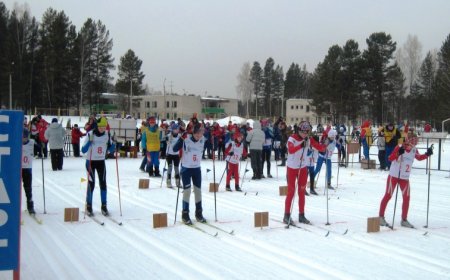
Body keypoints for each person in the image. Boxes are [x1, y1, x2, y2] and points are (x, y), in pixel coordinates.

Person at [378, 132, 433, 228]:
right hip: (394, 175)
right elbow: (390, 158)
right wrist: (399, 153)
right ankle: (381, 217)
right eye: (412, 140)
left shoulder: (414, 150)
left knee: (407, 197)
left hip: (405, 177)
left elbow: (419, 157)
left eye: (415, 141)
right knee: (388, 195)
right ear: (407, 139)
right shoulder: (399, 146)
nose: (414, 143)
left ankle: (404, 219)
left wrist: (427, 154)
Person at [283, 121, 325, 225]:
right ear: (299, 131)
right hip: (292, 168)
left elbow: (318, 146)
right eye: (304, 132)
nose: (305, 134)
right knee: (291, 191)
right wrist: (301, 145)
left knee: (302, 192)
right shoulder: (292, 139)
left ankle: (301, 215)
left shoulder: (308, 139)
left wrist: (325, 146)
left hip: (303, 168)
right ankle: (286, 215)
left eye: (307, 132)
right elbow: (291, 150)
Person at [173, 123, 206, 225]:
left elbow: (213, 147)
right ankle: (185, 214)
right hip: (186, 169)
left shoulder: (203, 139)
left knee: (198, 191)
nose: (199, 136)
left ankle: (199, 213)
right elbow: (174, 149)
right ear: (193, 132)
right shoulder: (186, 139)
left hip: (197, 169)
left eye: (201, 134)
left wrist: (214, 138)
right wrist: (181, 139)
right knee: (187, 191)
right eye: (197, 134)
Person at [81, 117, 115, 216]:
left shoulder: (107, 135)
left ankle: (104, 206)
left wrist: (114, 146)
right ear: (97, 126)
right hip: (90, 162)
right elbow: (83, 150)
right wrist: (89, 142)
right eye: (100, 127)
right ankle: (89, 206)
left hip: (101, 162)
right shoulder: (90, 134)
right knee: (91, 184)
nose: (102, 129)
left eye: (104, 127)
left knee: (103, 183)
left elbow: (110, 148)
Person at [22, 128, 36, 214]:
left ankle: (30, 206)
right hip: (17, 170)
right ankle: (14, 206)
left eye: (25, 137)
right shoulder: (16, 143)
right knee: (15, 188)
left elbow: (38, 148)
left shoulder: (31, 143)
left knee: (28, 188)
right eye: (23, 137)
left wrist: (40, 149)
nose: (24, 139)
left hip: (27, 169)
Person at [165, 123, 182, 188]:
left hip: (176, 155)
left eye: (178, 129)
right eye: (176, 129)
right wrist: (167, 140)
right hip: (169, 154)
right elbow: (166, 141)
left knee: (176, 168)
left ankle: (178, 182)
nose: (177, 130)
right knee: (170, 168)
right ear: (172, 130)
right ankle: (168, 182)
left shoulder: (180, 136)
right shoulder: (169, 136)